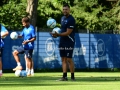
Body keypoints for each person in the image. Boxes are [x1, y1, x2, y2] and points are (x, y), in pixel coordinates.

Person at [51, 4, 76, 81]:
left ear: (69, 10)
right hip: (62, 41)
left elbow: (68, 32)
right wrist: (55, 35)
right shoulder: (62, 18)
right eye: (63, 9)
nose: (65, 11)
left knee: (69, 59)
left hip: (69, 42)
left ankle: (72, 77)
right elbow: (62, 31)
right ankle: (64, 77)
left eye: (66, 9)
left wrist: (58, 34)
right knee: (63, 59)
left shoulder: (71, 20)